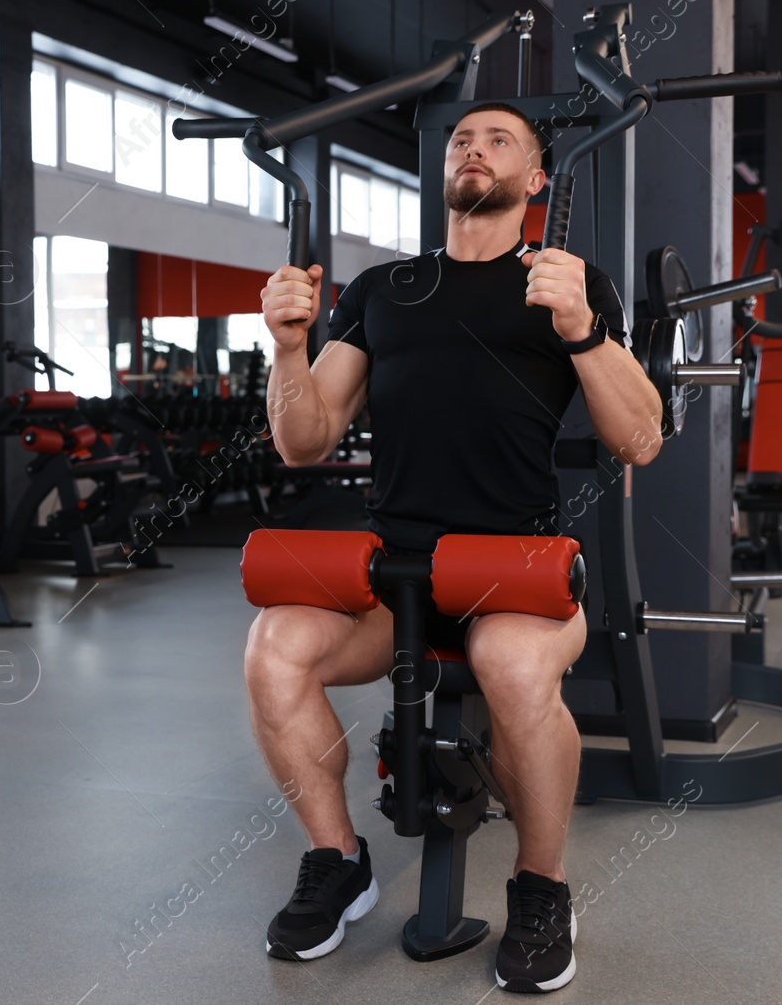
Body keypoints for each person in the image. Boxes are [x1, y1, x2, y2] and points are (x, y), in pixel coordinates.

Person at [246, 102, 665, 993]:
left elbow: (641, 441)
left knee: (513, 667)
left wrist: (582, 328)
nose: (474, 149)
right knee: (274, 646)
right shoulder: (382, 290)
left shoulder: (567, 281)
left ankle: (542, 885)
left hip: (512, 571)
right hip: (394, 575)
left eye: (499, 140)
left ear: (536, 178)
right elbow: (304, 439)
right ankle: (339, 860)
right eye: (462, 139)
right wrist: (288, 348)